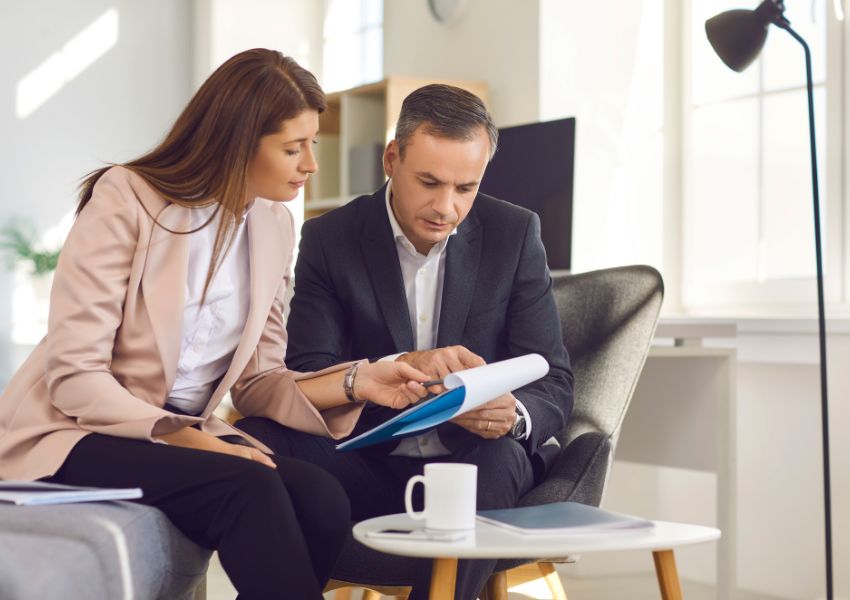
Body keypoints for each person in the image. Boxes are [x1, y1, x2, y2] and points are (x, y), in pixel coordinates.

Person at [0, 49, 430, 600]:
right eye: (293, 148)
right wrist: (187, 439)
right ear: (237, 141)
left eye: (313, 145)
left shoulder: (274, 225)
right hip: (76, 430)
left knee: (323, 499)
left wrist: (360, 380)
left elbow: (258, 381)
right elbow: (74, 376)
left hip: (178, 434)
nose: (310, 165)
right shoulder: (126, 198)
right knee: (248, 488)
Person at [236, 84, 574, 599]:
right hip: (370, 466)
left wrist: (514, 413)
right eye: (429, 182)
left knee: (503, 455)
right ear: (392, 159)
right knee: (262, 433)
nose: (446, 207)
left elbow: (553, 378)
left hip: (475, 467)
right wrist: (396, 369)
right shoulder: (331, 238)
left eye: (466, 187)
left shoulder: (515, 233)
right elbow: (308, 369)